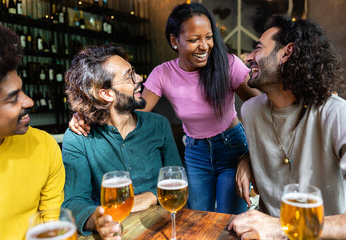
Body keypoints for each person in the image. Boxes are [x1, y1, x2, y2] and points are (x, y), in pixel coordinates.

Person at [69, 2, 260, 214]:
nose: (205, 46)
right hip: (196, 153)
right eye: (194, 39)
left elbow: (261, 109)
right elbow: (130, 113)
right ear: (174, 41)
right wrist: (88, 113)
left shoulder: (229, 64)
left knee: (230, 219)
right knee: (195, 218)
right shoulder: (163, 73)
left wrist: (250, 156)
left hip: (231, 146)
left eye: (209, 37)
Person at [228, 15, 346, 239]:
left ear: (286, 53)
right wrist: (246, 158)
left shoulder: (336, 113)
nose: (248, 57)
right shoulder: (250, 111)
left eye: (258, 48)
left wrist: (282, 226)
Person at [61, 44, 182, 237]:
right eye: (129, 76)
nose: (140, 78)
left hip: (164, 229)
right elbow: (73, 203)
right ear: (106, 93)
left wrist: (151, 196)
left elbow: (178, 179)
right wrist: (99, 220)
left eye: (134, 72)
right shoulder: (79, 137)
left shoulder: (159, 125)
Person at [0, 20, 65, 239]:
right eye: (13, 99)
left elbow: (53, 225)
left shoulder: (43, 145)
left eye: (23, 91)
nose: (29, 101)